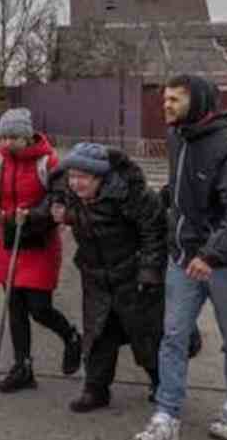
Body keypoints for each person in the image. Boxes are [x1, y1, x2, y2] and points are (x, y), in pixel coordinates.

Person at [135, 75, 227, 440]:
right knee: (172, 337)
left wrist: (211, 254)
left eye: (175, 99)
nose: (166, 106)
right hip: (182, 259)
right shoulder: (178, 138)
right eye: (165, 99)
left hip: (225, 264)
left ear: (199, 101)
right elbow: (181, 191)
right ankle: (166, 415)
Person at [43, 142, 166, 413]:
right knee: (97, 335)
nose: (75, 183)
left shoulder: (130, 194)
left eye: (83, 178)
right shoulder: (67, 192)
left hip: (131, 274)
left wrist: (149, 270)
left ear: (100, 178)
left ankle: (162, 385)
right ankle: (95, 390)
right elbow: (53, 194)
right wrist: (56, 211)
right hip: (95, 276)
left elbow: (154, 231)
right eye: (72, 176)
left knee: (145, 334)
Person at [0, 108, 82, 393]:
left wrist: (33, 215)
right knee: (14, 308)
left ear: (27, 136)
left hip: (39, 243)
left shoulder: (48, 161)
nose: (7, 143)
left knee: (39, 308)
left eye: (14, 137)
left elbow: (58, 198)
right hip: (8, 241)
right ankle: (22, 366)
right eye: (3, 137)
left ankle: (72, 336)